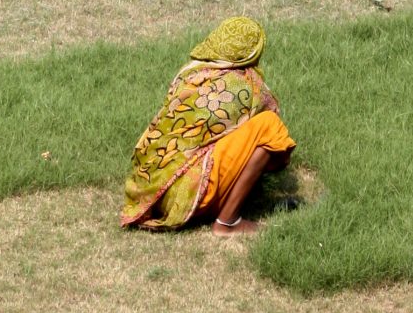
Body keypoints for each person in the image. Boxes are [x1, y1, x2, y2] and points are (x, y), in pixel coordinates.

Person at [121, 16, 295, 236]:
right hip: (188, 194)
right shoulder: (246, 85)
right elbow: (276, 147)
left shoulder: (191, 72)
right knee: (270, 126)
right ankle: (228, 222)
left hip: (154, 191)